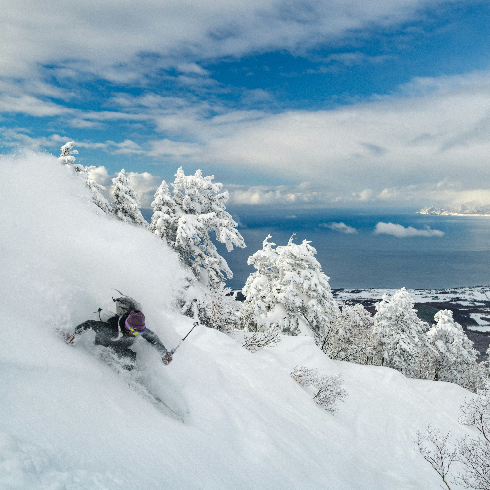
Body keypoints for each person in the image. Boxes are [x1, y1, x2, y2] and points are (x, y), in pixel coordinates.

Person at [65, 296, 172, 368]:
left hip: (120, 344)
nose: (136, 334)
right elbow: (89, 324)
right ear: (127, 326)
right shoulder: (110, 329)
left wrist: (164, 353)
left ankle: (127, 377)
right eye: (134, 332)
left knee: (130, 358)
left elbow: (152, 337)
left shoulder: (136, 328)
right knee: (109, 347)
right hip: (104, 343)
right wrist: (74, 334)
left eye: (139, 332)